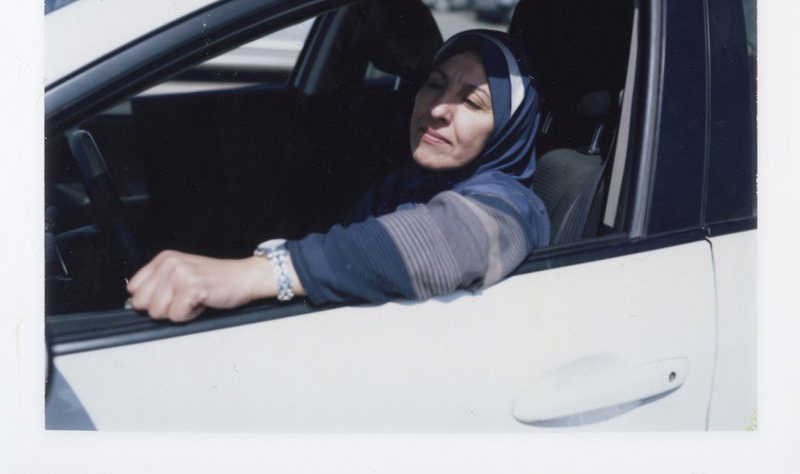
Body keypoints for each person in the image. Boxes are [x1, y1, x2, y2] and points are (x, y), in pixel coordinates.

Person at [126, 29, 550, 322]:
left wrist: (250, 275)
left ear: (506, 130)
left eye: (472, 103)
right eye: (435, 84)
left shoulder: (512, 207)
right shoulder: (402, 186)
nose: (438, 108)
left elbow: (445, 239)